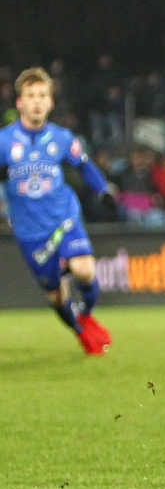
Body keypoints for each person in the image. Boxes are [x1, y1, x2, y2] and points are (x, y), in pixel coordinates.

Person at [0, 67, 114, 354]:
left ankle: (87, 316)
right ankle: (79, 331)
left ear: (50, 102)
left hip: (63, 218)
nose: (37, 101)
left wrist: (104, 190)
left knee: (84, 269)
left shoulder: (61, 137)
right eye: (31, 96)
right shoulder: (4, 141)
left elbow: (85, 165)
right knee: (55, 293)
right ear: (19, 102)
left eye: (42, 95)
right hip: (29, 232)